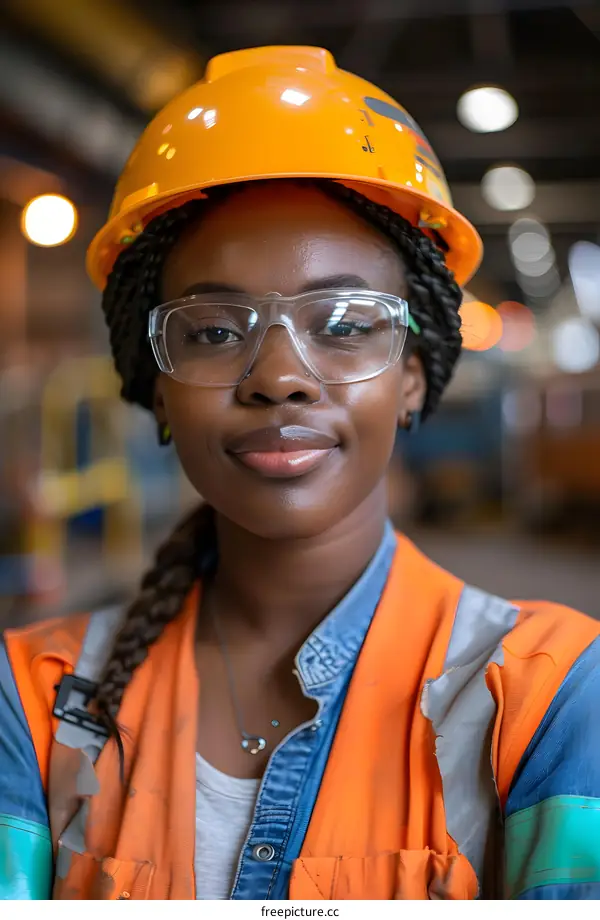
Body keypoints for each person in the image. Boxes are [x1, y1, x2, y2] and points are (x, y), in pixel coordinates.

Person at [1, 45, 599, 902]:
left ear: (412, 378)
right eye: (214, 331)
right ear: (156, 386)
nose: (279, 376)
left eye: (345, 324)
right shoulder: (29, 703)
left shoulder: (549, 697)